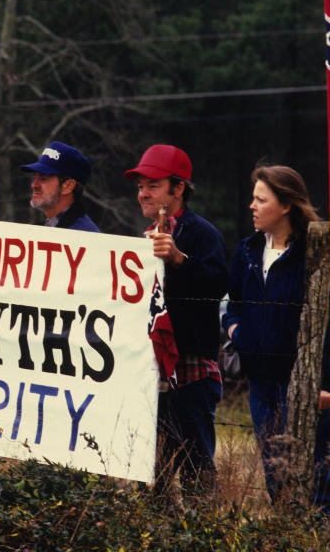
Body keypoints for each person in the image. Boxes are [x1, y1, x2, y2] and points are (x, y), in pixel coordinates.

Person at [221, 165, 330, 515]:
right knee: (277, 482)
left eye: (262, 199)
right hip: (261, 386)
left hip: (306, 386)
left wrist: (325, 383)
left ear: (286, 205)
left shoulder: (318, 252)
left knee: (319, 484)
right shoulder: (246, 252)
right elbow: (232, 307)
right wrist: (238, 334)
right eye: (253, 198)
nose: (252, 206)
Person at [123, 144, 228, 499]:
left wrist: (181, 260)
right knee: (153, 466)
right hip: (154, 368)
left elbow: (217, 285)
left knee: (197, 463)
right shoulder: (148, 237)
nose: (143, 194)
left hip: (190, 366)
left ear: (178, 188)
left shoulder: (202, 234)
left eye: (152, 185)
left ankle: (203, 533)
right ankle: (161, 530)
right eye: (140, 187)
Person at [20, 141, 99, 232]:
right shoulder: (46, 229)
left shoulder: (84, 236)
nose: (34, 185)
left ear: (68, 186)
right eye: (35, 177)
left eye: (43, 178)